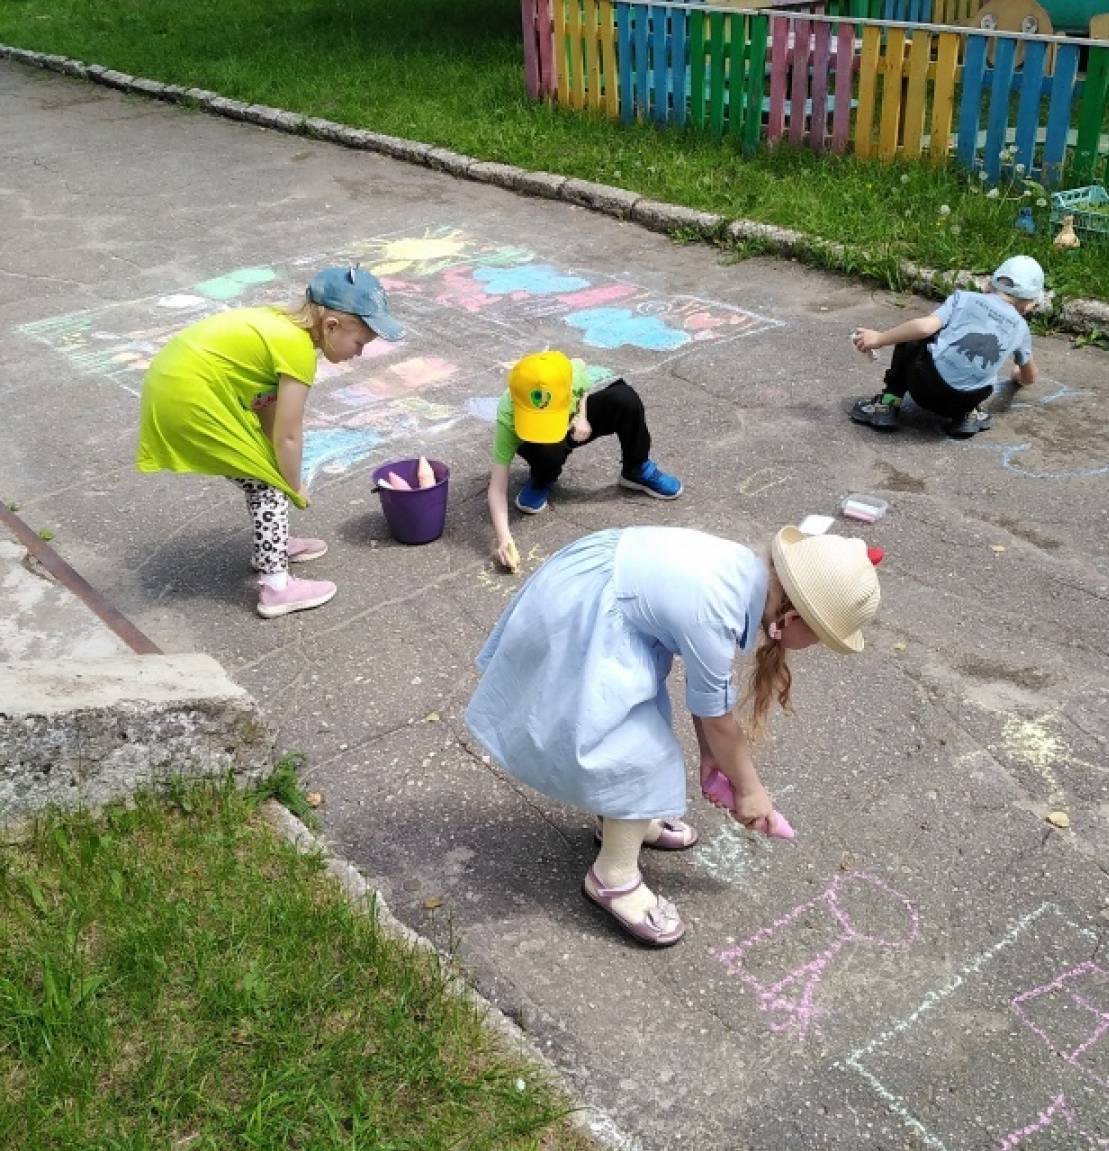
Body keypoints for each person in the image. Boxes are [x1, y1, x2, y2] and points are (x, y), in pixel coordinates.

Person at [465, 526, 881, 946]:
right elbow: (718, 719)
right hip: (586, 610)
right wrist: (752, 791)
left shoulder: (743, 576)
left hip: (604, 590)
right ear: (791, 620)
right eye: (819, 638)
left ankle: (625, 817)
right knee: (634, 752)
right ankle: (613, 879)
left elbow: (708, 702)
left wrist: (710, 757)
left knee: (641, 731)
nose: (816, 646)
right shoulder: (716, 613)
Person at [136, 266, 403, 617]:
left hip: (177, 387)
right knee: (269, 488)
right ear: (332, 326)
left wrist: (274, 464)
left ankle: (271, 546)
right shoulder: (297, 350)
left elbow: (269, 411)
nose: (359, 353)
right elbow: (289, 434)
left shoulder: (284, 329)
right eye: (359, 343)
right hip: (188, 400)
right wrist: (292, 486)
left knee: (265, 473)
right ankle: (276, 586)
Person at [487, 350, 682, 571]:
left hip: (570, 424)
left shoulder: (569, 376)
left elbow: (583, 385)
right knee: (545, 447)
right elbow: (497, 489)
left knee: (625, 398)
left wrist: (582, 416)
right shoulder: (509, 415)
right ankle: (543, 477)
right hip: (541, 446)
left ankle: (636, 468)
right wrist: (504, 539)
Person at [849, 255, 1042, 438]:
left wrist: (880, 338)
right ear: (1027, 305)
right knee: (985, 377)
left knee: (912, 336)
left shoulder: (964, 298)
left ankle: (887, 405)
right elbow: (1030, 377)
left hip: (924, 388)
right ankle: (967, 417)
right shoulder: (1021, 328)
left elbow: (924, 328)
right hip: (965, 401)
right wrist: (1017, 376)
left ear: (988, 286)